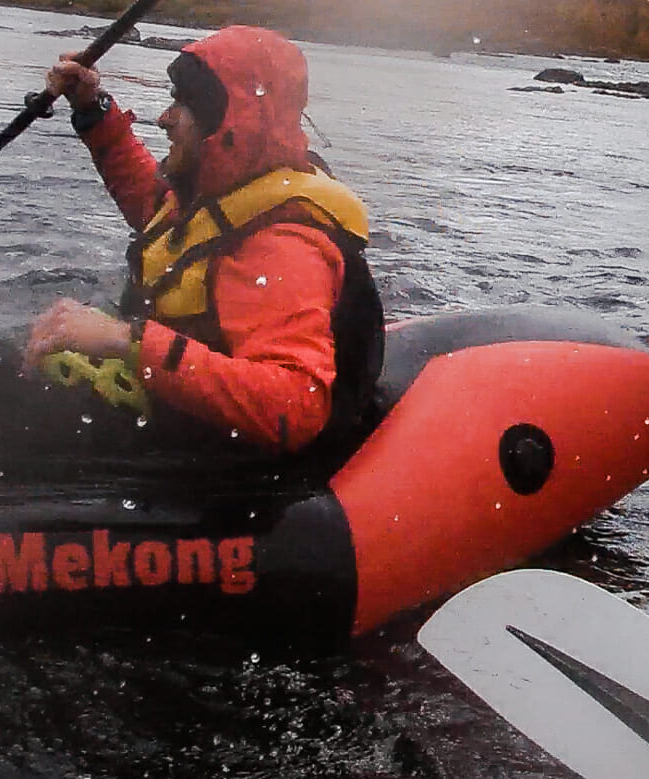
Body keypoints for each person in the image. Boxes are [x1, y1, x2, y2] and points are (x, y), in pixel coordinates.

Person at [22, 25, 383, 458]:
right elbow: (157, 212)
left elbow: (294, 405)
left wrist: (126, 339)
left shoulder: (284, 246)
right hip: (170, 412)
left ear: (228, 125)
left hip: (213, 465)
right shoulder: (224, 193)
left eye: (184, 103)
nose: (164, 117)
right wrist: (93, 111)